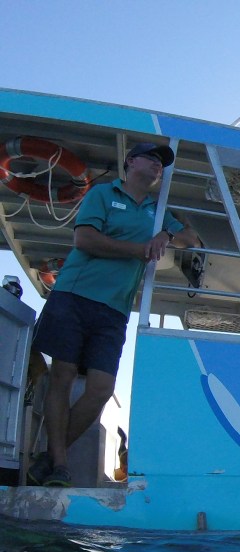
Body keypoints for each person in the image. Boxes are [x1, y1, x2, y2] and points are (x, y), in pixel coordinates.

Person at [27, 143, 199, 487]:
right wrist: (138, 250)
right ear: (130, 162)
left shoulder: (156, 208)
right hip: (74, 295)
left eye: (161, 164)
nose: (156, 166)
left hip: (115, 309)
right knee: (61, 376)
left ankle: (48, 458)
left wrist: (165, 233)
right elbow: (84, 239)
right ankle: (60, 465)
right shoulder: (104, 194)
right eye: (150, 158)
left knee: (102, 388)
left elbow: (190, 237)